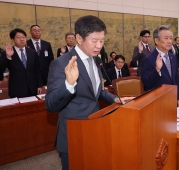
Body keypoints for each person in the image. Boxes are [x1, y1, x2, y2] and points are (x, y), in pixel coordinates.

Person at [45, 15, 132, 170]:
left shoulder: (95, 59)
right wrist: (69, 84)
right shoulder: (61, 63)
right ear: (79, 38)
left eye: (102, 40)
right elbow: (51, 105)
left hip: (95, 127)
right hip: (74, 135)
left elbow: (96, 91)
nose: (99, 45)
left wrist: (115, 99)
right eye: (94, 40)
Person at [141, 25, 179, 106]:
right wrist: (157, 70)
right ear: (156, 40)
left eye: (171, 38)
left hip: (172, 100)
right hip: (158, 102)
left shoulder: (172, 57)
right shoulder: (149, 59)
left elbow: (176, 80)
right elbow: (146, 82)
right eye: (166, 38)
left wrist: (178, 98)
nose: (169, 41)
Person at [0, 28, 43, 98]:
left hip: (33, 88)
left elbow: (37, 70)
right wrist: (8, 57)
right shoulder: (7, 53)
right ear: (13, 39)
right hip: (17, 89)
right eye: (18, 37)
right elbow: (1, 70)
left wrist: (39, 85)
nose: (22, 39)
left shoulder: (32, 52)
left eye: (23, 37)